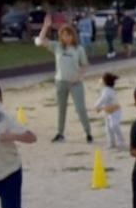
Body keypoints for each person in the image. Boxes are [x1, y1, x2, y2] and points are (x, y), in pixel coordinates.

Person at [35, 14, 93, 144]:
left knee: (80, 109)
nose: (66, 38)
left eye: (68, 35)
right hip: (61, 81)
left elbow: (85, 65)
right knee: (61, 109)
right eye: (63, 35)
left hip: (75, 83)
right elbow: (40, 41)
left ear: (73, 36)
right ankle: (60, 133)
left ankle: (88, 132)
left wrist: (79, 77)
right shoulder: (57, 47)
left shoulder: (79, 49)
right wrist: (46, 26)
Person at [92, 72, 125, 150]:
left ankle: (121, 140)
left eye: (102, 79)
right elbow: (104, 101)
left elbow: (103, 99)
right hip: (108, 112)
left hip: (115, 111)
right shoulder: (106, 90)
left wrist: (97, 106)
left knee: (114, 125)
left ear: (105, 82)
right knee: (108, 128)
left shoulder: (107, 91)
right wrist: (100, 108)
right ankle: (112, 143)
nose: (100, 81)